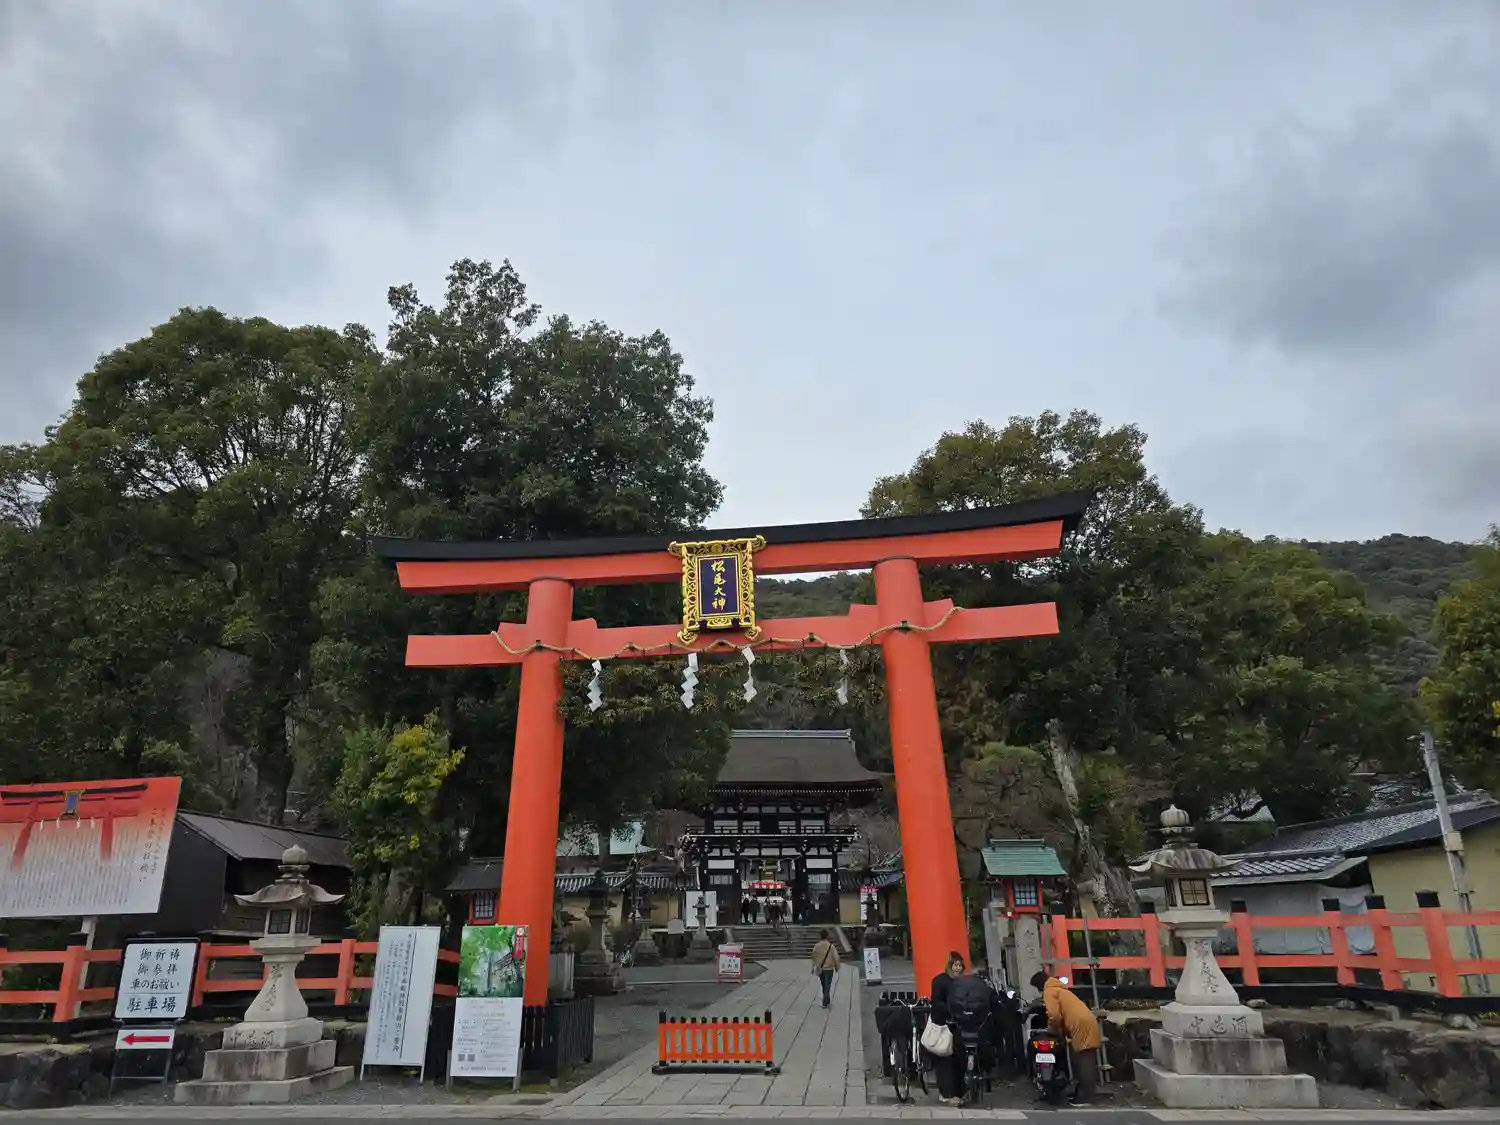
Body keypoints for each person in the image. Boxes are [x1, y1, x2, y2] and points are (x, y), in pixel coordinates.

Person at [1030, 971, 1102, 1106]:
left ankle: (1086, 1098)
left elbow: (1054, 1015)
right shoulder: (1059, 988)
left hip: (1080, 1024)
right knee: (1084, 1058)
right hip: (1085, 1022)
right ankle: (1083, 1093)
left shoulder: (1049, 991)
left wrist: (1051, 1029)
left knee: (1085, 1060)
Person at [927, 951, 968, 1106]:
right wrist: (951, 1009)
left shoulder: (963, 982)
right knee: (945, 1060)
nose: (958, 968)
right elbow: (936, 1002)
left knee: (959, 1059)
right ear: (949, 965)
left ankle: (958, 1092)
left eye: (960, 965)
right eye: (955, 965)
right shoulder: (940, 981)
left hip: (959, 1026)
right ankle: (947, 1094)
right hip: (943, 1026)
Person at [809, 929, 841, 1008]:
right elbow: (836, 957)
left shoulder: (817, 946)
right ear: (827, 936)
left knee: (824, 984)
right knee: (828, 984)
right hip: (829, 968)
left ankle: (827, 999)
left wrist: (813, 968)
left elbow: (813, 957)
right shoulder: (831, 946)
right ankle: (825, 1002)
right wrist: (837, 967)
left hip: (820, 968)